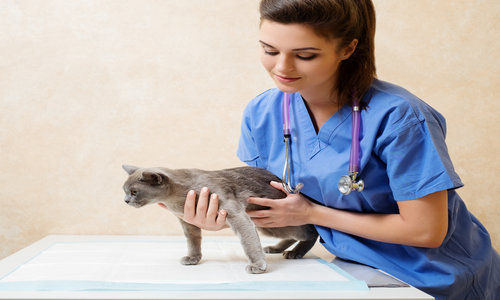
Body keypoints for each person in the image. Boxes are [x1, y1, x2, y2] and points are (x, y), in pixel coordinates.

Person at [158, 0, 500, 298]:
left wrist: (312, 214)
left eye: (304, 55)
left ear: (348, 49)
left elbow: (426, 231)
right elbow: (272, 202)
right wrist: (219, 216)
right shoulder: (262, 114)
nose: (282, 68)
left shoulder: (400, 118)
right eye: (269, 50)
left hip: (434, 280)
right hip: (350, 268)